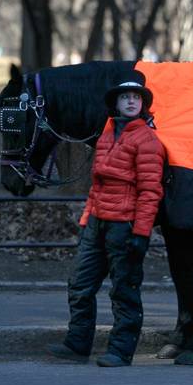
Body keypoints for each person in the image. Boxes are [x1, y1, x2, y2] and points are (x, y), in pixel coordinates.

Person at [47, 69, 165, 367]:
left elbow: (151, 192)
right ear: (115, 102)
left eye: (135, 97)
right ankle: (77, 344)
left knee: (124, 289)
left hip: (124, 225)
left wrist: (141, 234)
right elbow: (96, 184)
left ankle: (121, 350)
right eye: (124, 97)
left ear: (143, 104)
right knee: (80, 283)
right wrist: (86, 219)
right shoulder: (106, 135)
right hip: (97, 221)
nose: (130, 102)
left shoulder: (148, 141)